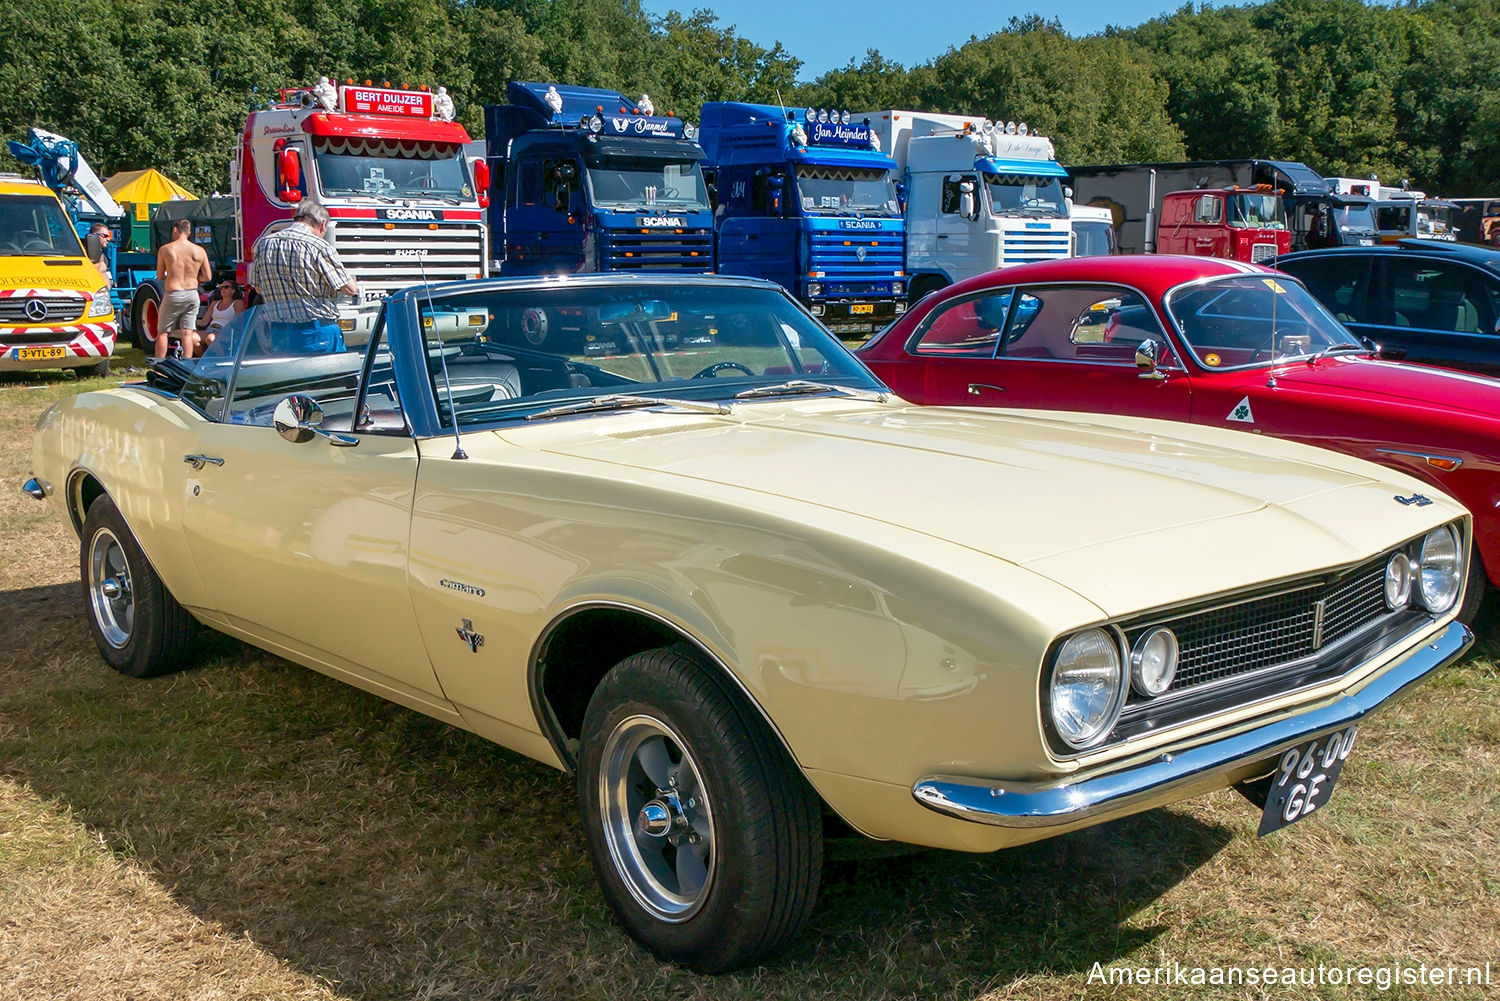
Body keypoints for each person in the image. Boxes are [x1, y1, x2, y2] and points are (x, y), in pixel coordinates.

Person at [247, 201, 358, 353]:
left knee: (289, 376)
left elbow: (258, 288)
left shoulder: (265, 244)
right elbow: (349, 289)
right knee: (329, 376)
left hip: (279, 332)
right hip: (317, 331)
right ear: (323, 224)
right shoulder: (319, 246)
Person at [155, 218, 211, 359]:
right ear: (189, 232)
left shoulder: (166, 249)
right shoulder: (199, 250)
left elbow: (160, 275)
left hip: (173, 293)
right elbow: (208, 277)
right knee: (187, 332)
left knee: (163, 332)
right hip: (192, 293)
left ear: (175, 230)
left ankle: (159, 365)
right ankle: (186, 365)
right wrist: (195, 278)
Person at [195, 278, 244, 355]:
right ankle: (202, 360)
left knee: (210, 338)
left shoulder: (237, 303)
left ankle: (223, 359)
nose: (223, 289)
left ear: (233, 290)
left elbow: (238, 322)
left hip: (226, 331)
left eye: (226, 287)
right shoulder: (215, 303)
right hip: (210, 329)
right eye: (221, 287)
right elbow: (204, 322)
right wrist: (187, 321)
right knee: (192, 337)